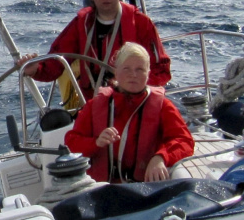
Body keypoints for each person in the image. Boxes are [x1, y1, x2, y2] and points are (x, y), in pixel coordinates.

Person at [20, 0, 170, 103]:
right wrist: (35, 70)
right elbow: (55, 64)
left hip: (136, 104)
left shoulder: (141, 23)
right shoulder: (81, 25)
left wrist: (134, 88)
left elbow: (161, 70)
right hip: (96, 106)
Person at [63, 43, 193, 183]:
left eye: (140, 69)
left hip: (146, 187)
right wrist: (96, 142)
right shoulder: (95, 106)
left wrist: (161, 157)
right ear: (116, 72)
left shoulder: (162, 106)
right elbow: (71, 143)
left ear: (148, 73)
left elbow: (184, 141)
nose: (133, 75)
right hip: (103, 188)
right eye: (127, 69)